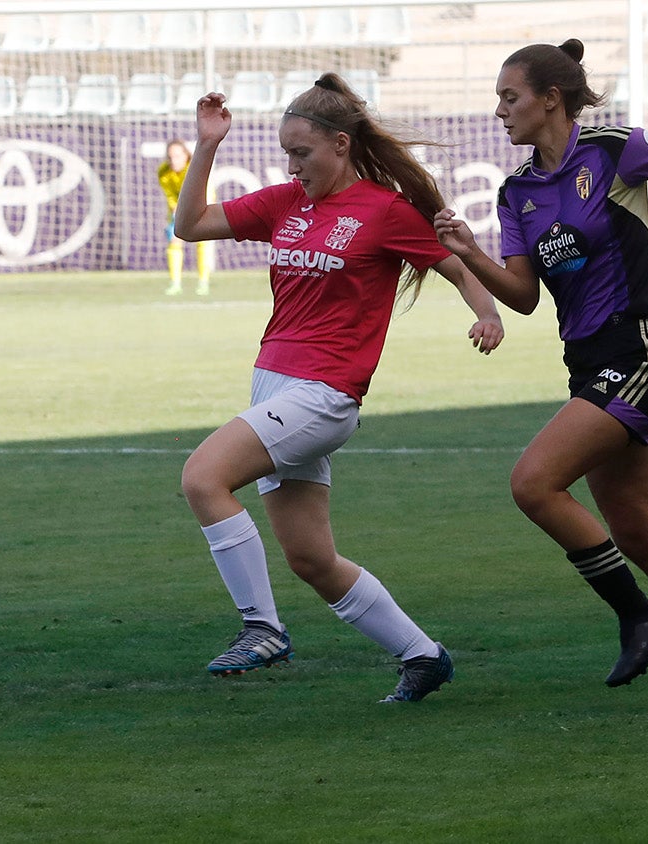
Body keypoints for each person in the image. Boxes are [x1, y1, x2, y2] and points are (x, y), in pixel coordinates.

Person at [433, 41, 648, 707]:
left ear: (550, 99)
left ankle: (638, 615)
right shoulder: (518, 193)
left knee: (534, 483)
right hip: (588, 363)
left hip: (642, 349)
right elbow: (524, 297)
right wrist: (468, 250)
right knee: (641, 533)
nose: (499, 111)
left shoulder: (614, 148)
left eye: (510, 97)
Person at [173, 74, 506, 702]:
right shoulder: (282, 205)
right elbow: (188, 226)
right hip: (273, 390)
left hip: (324, 395)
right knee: (311, 560)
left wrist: (485, 313)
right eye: (286, 154)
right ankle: (423, 655)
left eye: (303, 153)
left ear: (341, 146)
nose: (293, 165)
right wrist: (207, 145)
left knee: (202, 478)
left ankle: (261, 627)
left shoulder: (384, 211)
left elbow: (455, 265)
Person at [158, 139, 213, 296]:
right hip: (178, 206)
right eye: (170, 157)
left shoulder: (194, 169)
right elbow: (169, 195)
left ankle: (203, 282)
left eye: (177, 156)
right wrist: (176, 209)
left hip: (202, 202)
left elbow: (202, 193)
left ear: (186, 156)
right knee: (174, 241)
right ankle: (175, 283)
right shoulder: (163, 171)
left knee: (202, 240)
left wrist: (189, 211)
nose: (173, 160)